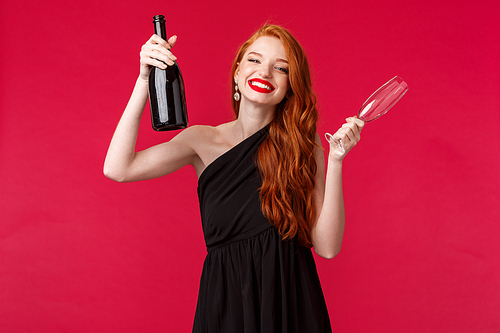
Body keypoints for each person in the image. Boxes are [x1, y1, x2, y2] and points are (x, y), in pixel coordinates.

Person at [104, 24, 363, 333]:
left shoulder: (304, 150)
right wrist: (144, 80)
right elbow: (118, 168)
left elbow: (328, 247)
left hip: (291, 306)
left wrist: (336, 161)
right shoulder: (200, 140)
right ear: (238, 73)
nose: (265, 72)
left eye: (280, 68)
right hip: (226, 306)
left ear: (290, 85)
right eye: (255, 60)